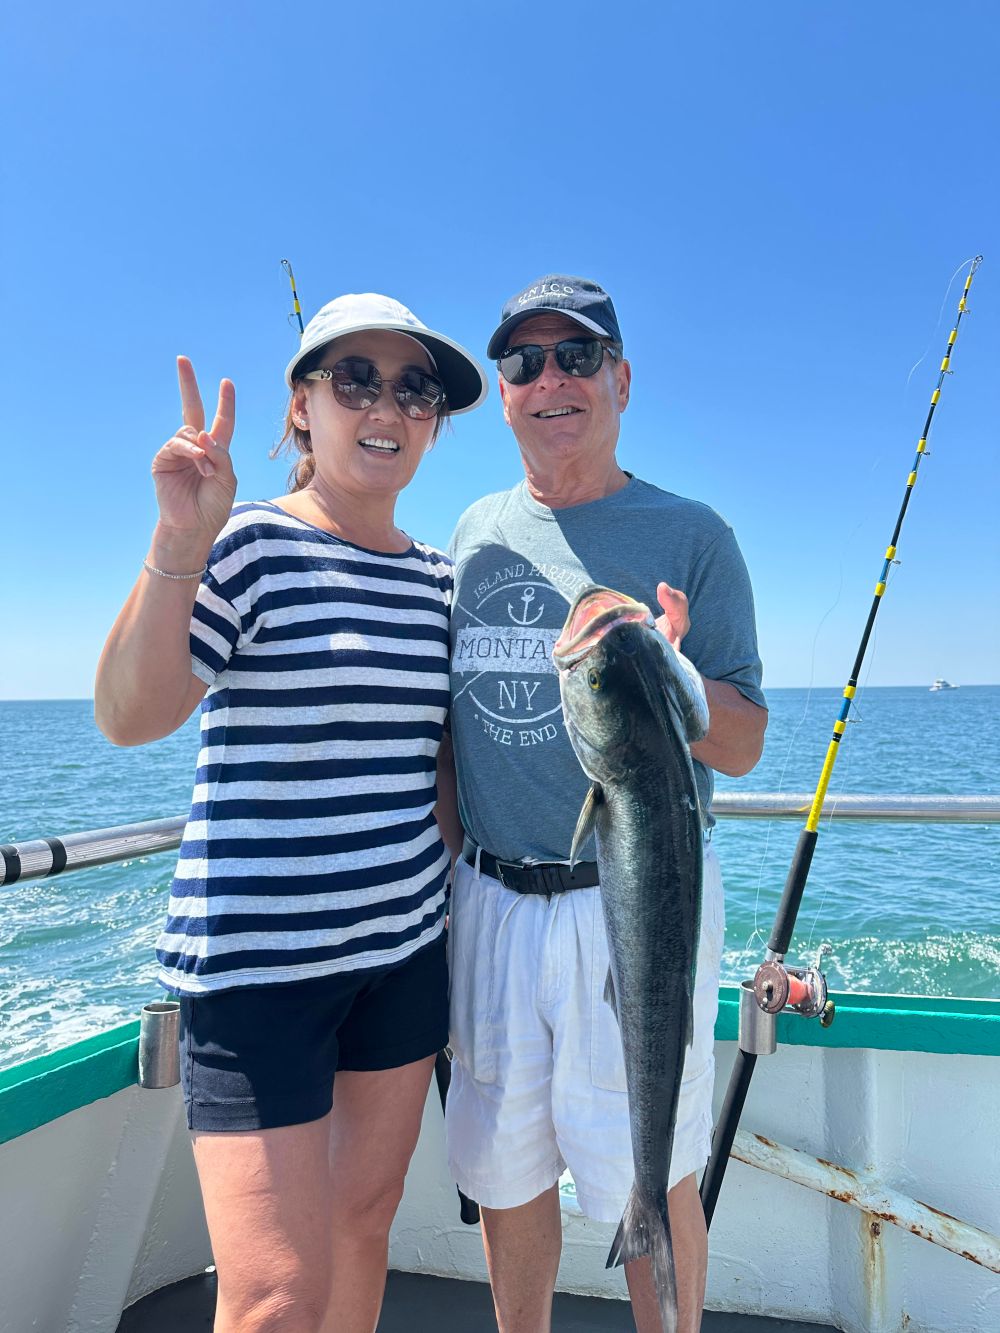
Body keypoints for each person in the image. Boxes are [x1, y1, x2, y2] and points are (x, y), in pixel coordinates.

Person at [95, 293, 485, 1333]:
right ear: (303, 405)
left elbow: (440, 773)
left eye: (414, 386)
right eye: (354, 377)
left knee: (364, 1223)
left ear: (434, 419)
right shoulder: (250, 544)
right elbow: (132, 716)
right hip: (256, 970)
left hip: (399, 959)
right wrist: (181, 541)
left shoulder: (443, 585)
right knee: (271, 1295)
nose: (386, 403)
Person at [444, 274, 767, 1333]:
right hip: (488, 894)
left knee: (656, 1163)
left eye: (575, 357)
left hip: (633, 889)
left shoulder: (692, 535)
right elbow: (448, 734)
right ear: (501, 394)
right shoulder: (472, 534)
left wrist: (670, 676)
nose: (550, 381)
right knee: (503, 1170)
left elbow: (748, 740)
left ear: (620, 380)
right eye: (524, 362)